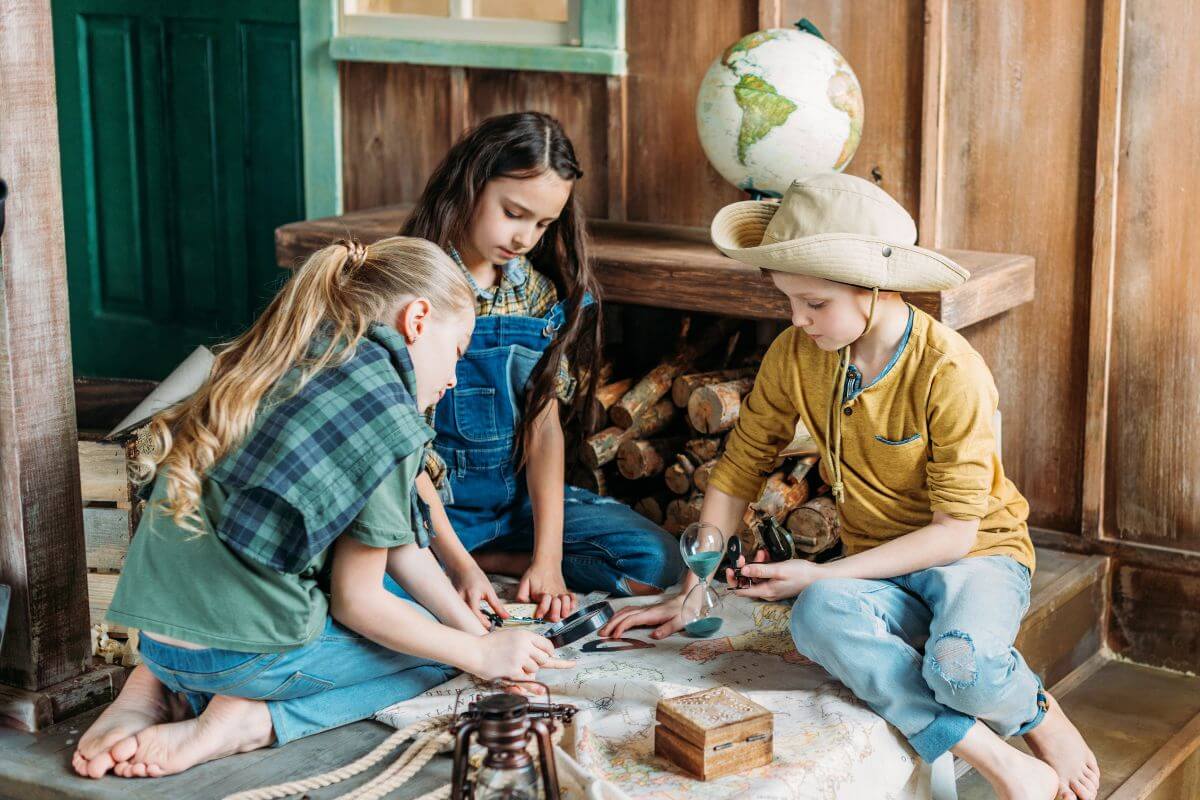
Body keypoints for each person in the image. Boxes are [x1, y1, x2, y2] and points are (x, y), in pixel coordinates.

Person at [603, 174, 1100, 800]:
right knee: (816, 616)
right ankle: (997, 758)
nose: (798, 320)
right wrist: (692, 586)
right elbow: (740, 466)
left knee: (960, 670)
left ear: (875, 287)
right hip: (880, 569)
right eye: (789, 302)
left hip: (976, 555)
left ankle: (1036, 713)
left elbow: (955, 533)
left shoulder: (950, 370)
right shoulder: (795, 354)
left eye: (814, 304)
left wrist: (827, 572)